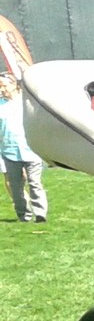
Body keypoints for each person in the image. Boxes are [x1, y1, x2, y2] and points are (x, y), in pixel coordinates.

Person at [0, 73, 47, 223]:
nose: (1, 89)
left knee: (35, 183)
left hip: (31, 149)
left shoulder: (27, 102)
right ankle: (24, 215)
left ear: (14, 85)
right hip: (9, 151)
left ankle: (40, 214)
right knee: (16, 187)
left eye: (4, 85)